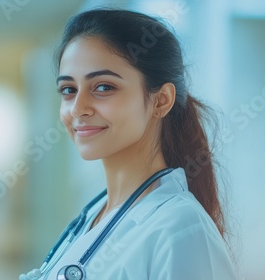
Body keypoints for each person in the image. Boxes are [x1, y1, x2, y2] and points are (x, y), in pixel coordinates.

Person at [20, 8, 238, 280]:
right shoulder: (95, 217)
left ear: (161, 101)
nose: (77, 109)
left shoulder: (181, 230)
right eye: (68, 90)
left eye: (103, 87)